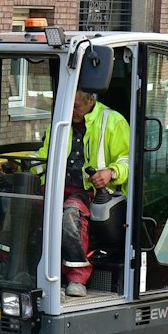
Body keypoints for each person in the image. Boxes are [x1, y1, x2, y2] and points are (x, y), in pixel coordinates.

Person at [41, 88, 131, 296]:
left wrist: (111, 172)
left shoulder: (113, 121)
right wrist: (21, 167)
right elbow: (43, 157)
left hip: (89, 193)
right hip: (57, 188)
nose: (70, 111)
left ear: (91, 99)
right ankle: (9, 264)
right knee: (24, 205)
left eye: (75, 106)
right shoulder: (61, 123)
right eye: (68, 105)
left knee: (71, 214)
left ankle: (77, 277)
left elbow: (128, 159)